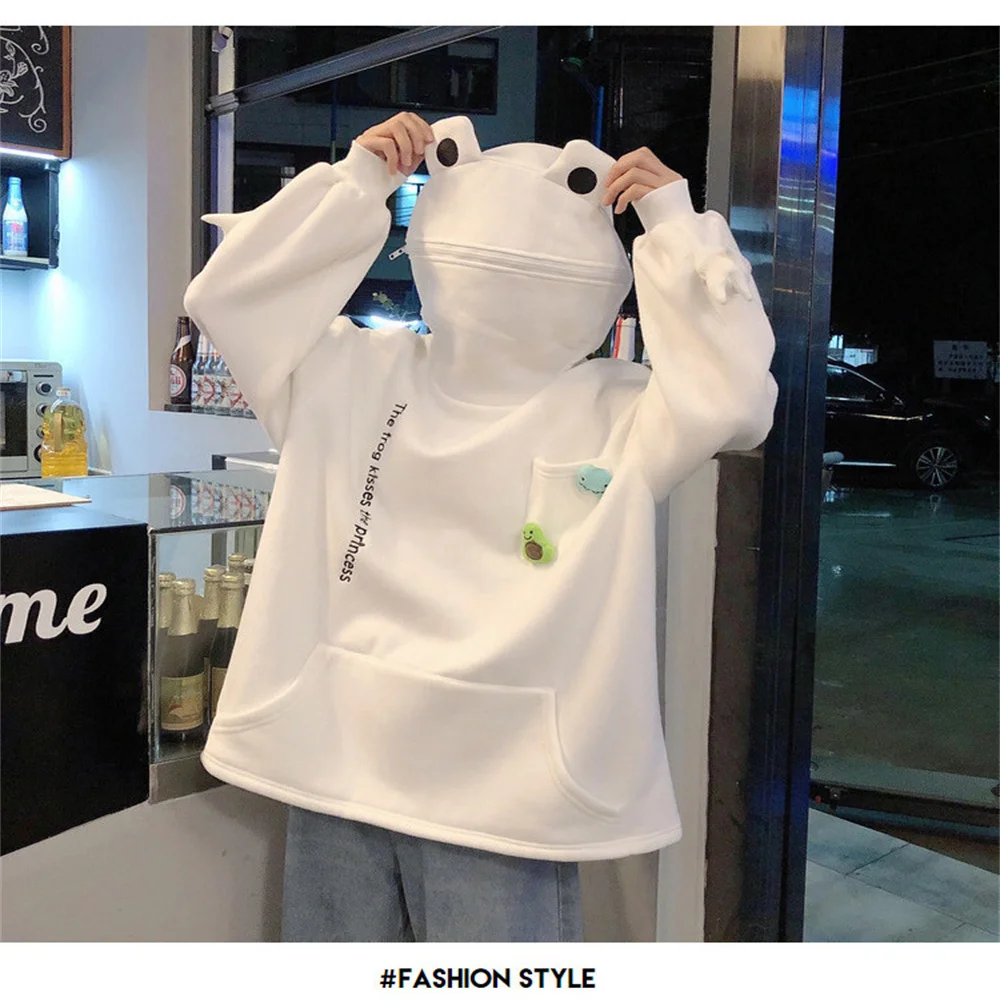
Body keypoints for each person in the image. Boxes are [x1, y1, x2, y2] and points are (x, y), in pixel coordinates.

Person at [184, 111, 777, 942]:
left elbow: (739, 403)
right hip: (358, 758)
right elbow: (225, 302)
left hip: (482, 782)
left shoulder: (611, 410)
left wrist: (677, 227)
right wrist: (674, 228)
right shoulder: (360, 373)